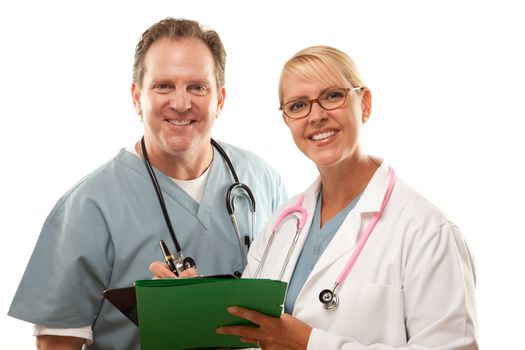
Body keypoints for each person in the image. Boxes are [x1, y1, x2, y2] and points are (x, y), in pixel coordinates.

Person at [8, 18, 287, 350]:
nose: (181, 103)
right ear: (136, 96)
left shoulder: (262, 179)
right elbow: (57, 343)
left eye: (198, 87)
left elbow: (292, 301)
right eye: (163, 86)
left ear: (220, 98)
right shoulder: (89, 206)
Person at [214, 46, 478, 349]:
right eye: (298, 105)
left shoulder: (427, 231)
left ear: (364, 104)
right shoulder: (282, 224)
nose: (316, 116)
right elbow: (250, 329)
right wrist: (194, 297)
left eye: (332, 96)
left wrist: (311, 344)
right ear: (287, 121)